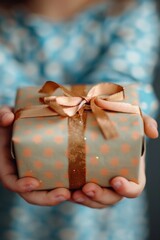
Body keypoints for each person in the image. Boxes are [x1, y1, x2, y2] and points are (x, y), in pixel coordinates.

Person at [0, 0, 159, 239]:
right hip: (20, 195)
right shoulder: (6, 20)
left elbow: (123, 83)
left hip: (109, 214)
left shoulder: (132, 10)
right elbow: (9, 96)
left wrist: (132, 118)